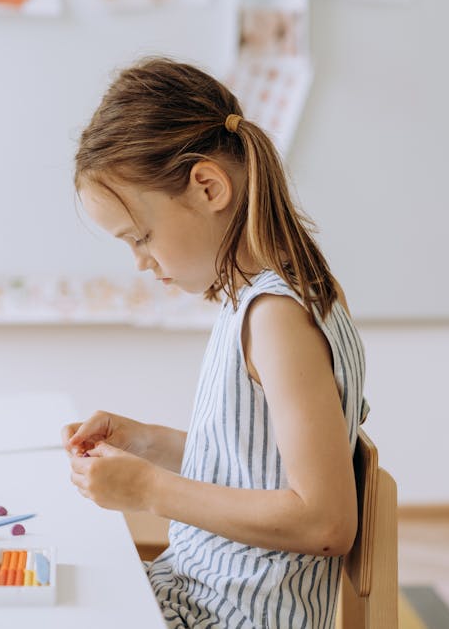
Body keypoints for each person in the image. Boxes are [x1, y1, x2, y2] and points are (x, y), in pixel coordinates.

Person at [63, 57, 367, 629]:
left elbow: (325, 523)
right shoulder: (264, 297)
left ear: (207, 186)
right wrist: (145, 443)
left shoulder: (277, 316)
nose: (140, 261)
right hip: (197, 596)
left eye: (142, 236)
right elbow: (258, 466)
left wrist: (151, 491)